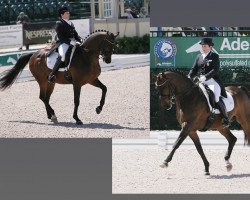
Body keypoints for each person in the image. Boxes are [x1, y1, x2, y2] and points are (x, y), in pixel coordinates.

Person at [188, 38, 230, 128]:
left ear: (210, 47)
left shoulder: (214, 56)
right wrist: (189, 76)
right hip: (199, 80)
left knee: (216, 97)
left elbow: (215, 69)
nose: (203, 48)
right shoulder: (199, 56)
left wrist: (206, 77)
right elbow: (193, 69)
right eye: (202, 46)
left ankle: (225, 118)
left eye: (205, 46)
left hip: (212, 80)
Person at [48, 6, 83, 83]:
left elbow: (75, 34)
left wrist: (80, 39)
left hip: (73, 42)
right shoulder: (59, 23)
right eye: (67, 13)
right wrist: (70, 42)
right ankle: (52, 74)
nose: (69, 14)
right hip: (63, 43)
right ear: (62, 15)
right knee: (63, 56)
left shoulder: (71, 23)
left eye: (68, 13)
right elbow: (61, 37)